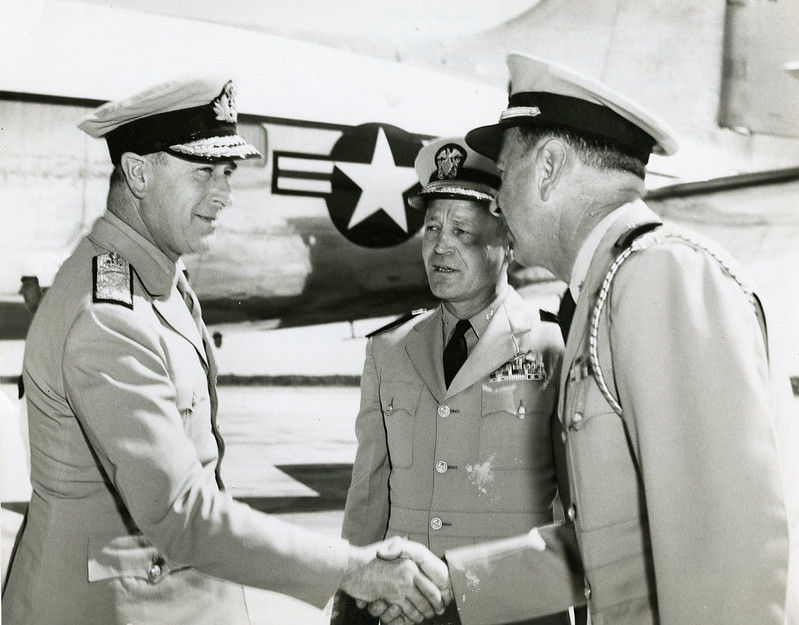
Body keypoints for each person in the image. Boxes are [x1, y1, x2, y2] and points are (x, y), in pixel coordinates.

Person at [1, 76, 450, 625]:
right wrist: (352, 568)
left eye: (227, 172)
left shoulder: (156, 280)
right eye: (202, 172)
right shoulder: (110, 317)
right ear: (139, 172)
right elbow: (182, 514)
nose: (223, 194)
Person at [436, 54, 799, 625]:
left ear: (549, 167)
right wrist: (449, 585)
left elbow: (728, 575)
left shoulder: (662, 279)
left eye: (503, 176)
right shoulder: (607, 289)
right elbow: (616, 551)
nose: (496, 203)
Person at [334, 137, 572, 625]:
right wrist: (350, 602)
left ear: (508, 242)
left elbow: (581, 512)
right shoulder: (389, 350)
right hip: (404, 613)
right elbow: (368, 495)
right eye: (432, 228)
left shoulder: (552, 346)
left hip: (512, 612)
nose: (440, 245)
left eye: (462, 229)